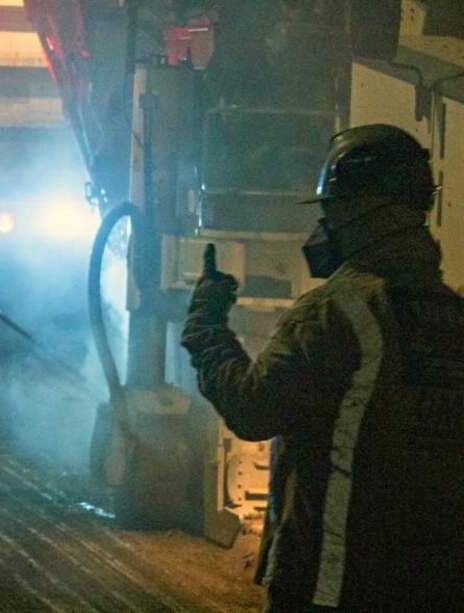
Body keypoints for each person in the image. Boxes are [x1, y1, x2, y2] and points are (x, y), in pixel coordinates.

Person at [181, 124, 463, 611]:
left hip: (333, 583)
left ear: (362, 213)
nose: (321, 231)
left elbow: (252, 409)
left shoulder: (337, 312)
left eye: (330, 214)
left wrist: (205, 324)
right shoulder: (452, 316)